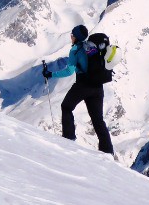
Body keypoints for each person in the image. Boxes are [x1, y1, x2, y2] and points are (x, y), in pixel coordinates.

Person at [42, 24, 114, 155]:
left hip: (83, 85)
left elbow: (69, 71)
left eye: (72, 35)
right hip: (98, 87)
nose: (71, 37)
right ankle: (108, 151)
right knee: (98, 119)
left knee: (66, 107)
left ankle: (68, 138)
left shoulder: (75, 50)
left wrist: (51, 74)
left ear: (76, 37)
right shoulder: (92, 48)